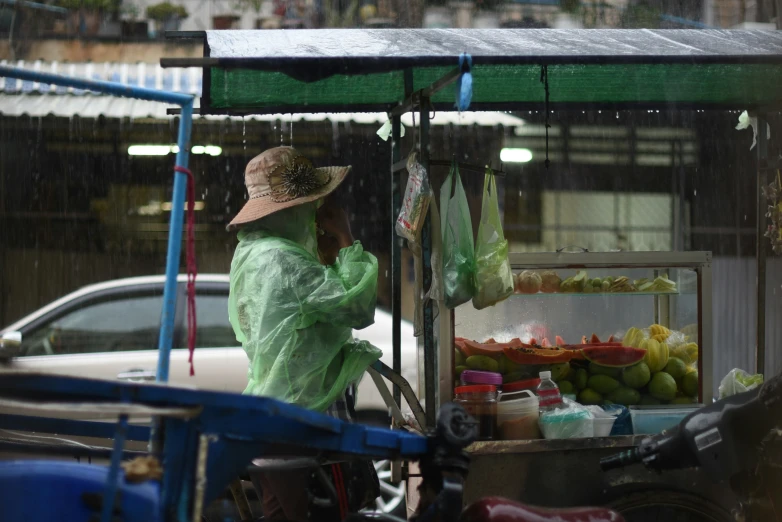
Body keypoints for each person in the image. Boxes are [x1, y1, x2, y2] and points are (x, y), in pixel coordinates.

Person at [226, 146, 382, 522]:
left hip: (271, 413)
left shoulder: (253, 253)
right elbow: (356, 307)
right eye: (311, 206)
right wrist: (345, 238)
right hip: (304, 417)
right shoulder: (284, 261)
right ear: (293, 209)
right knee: (322, 514)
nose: (316, 214)